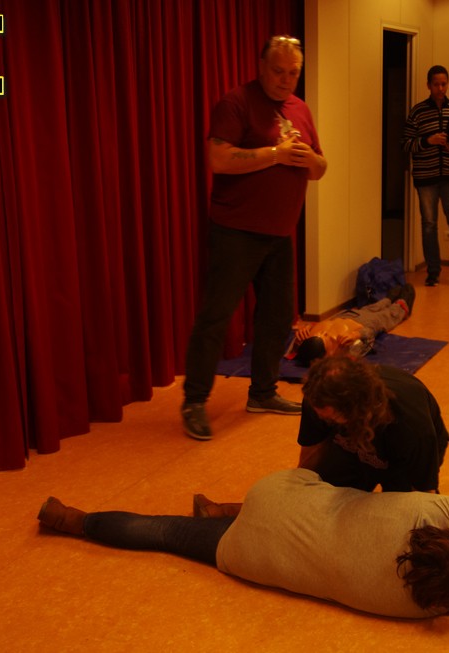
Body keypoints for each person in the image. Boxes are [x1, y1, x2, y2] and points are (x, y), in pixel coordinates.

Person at [36, 468, 449, 619]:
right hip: (251, 556)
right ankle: (70, 521)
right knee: (164, 532)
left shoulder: (427, 511)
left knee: (324, 489)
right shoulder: (417, 611)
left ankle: (223, 508)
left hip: (275, 494)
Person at [181, 35, 328, 441]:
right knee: (216, 316)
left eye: (293, 72)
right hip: (236, 231)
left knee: (277, 318)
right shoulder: (236, 102)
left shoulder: (300, 108)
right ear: (262, 67)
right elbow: (218, 158)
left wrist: (310, 160)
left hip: (280, 233)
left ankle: (263, 392)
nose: (285, 79)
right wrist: (274, 154)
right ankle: (194, 400)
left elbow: (319, 169)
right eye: (278, 71)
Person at [297, 355, 449, 493]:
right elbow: (311, 449)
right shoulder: (319, 396)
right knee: (323, 494)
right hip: (351, 447)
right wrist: (299, 488)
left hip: (401, 459)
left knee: (400, 510)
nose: (321, 418)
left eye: (331, 418)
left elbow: (423, 493)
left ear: (356, 409)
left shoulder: (411, 425)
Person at [402, 65, 449, 288]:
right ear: (429, 85)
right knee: (429, 225)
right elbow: (406, 143)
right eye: (436, 84)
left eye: (444, 84)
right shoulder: (417, 112)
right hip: (425, 178)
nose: (441, 88)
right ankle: (433, 272)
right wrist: (428, 141)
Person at [289, 283, 416, 366]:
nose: (323, 334)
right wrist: (357, 334)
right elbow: (369, 335)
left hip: (347, 315)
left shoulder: (307, 340)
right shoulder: (340, 350)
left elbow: (292, 350)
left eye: (321, 335)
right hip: (364, 322)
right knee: (391, 313)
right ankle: (401, 298)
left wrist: (298, 339)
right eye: (326, 338)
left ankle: (389, 298)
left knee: (375, 307)